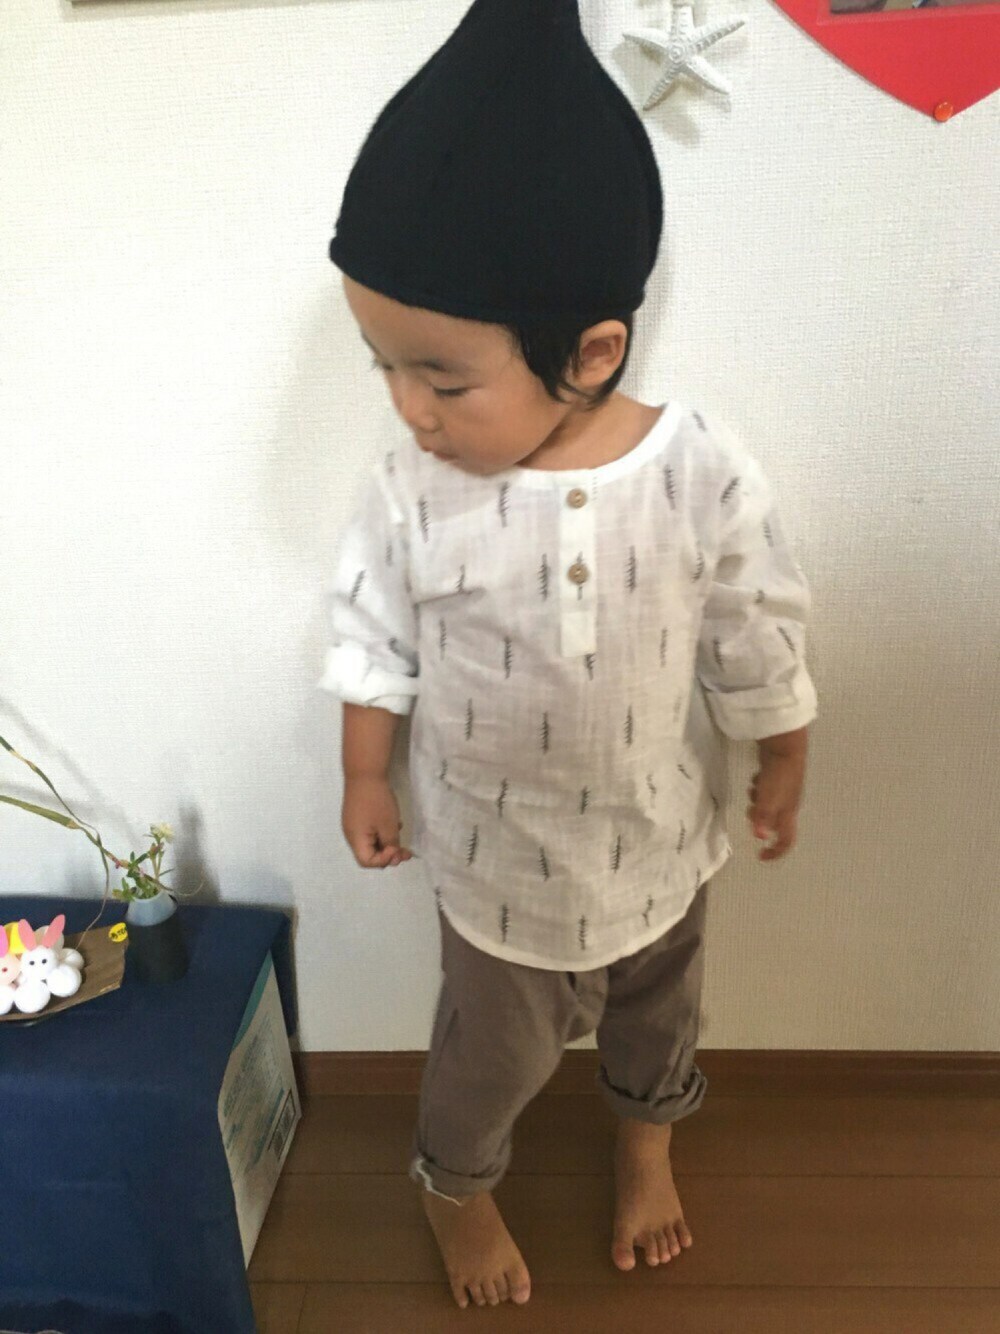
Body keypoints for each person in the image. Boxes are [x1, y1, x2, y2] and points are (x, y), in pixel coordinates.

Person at [321, 0, 818, 1312]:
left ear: (593, 352)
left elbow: (754, 616)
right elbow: (372, 631)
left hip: (661, 849)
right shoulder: (413, 492)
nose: (409, 411)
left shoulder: (696, 467)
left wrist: (782, 747)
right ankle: (455, 1183)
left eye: (442, 379)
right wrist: (365, 771)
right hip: (499, 876)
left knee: (662, 1025)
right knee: (486, 1059)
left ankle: (646, 1149)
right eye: (384, 369)